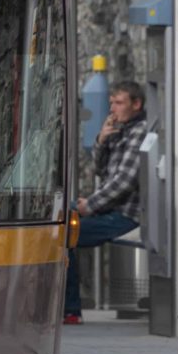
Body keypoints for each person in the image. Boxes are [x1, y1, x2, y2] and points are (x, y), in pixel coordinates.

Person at [65, 80, 150, 323]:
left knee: (63, 235)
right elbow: (101, 171)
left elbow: (124, 181)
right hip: (109, 209)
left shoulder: (139, 131)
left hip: (126, 215)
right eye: (111, 102)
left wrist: (89, 205)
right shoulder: (120, 130)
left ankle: (69, 310)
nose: (113, 108)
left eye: (119, 103)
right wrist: (101, 141)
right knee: (59, 214)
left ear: (136, 104)